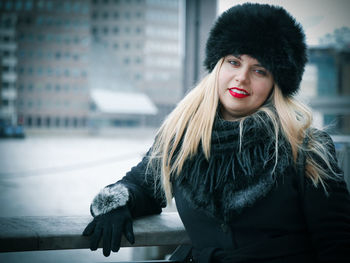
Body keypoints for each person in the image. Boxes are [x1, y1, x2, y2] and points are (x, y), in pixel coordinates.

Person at [82, 3, 350, 262]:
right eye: (234, 62)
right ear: (217, 66)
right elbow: (141, 186)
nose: (242, 78)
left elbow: (337, 243)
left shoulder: (306, 148)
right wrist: (116, 204)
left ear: (275, 84)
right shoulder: (182, 139)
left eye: (259, 70)